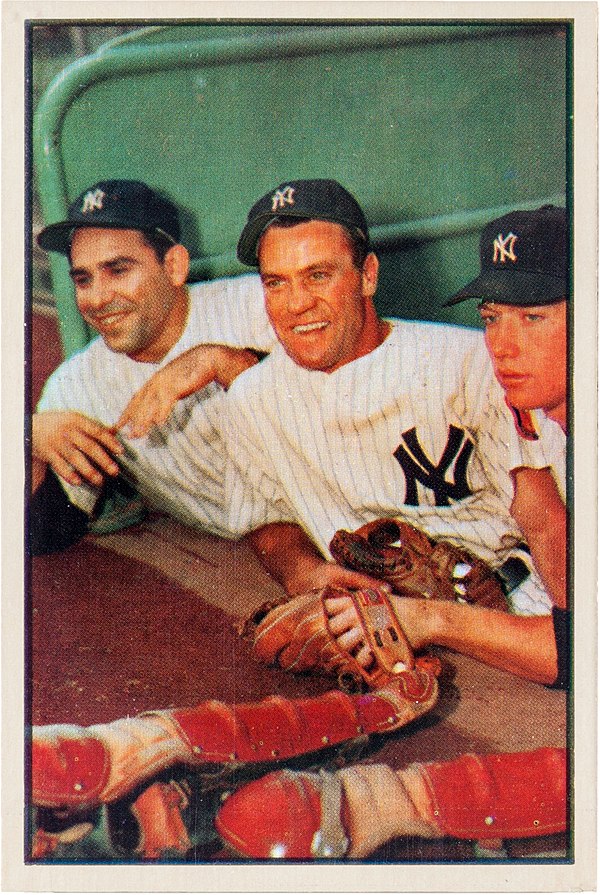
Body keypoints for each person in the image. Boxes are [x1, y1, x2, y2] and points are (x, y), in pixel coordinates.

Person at [216, 180, 562, 618]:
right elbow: (263, 515)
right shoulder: (252, 397)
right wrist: (300, 569)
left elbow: (551, 519)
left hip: (513, 602)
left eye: (318, 275)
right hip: (375, 616)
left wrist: (509, 599)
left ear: (368, 275)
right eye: (276, 283)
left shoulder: (472, 363)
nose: (296, 303)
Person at [326, 204, 569, 688]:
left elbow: (583, 649)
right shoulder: (540, 419)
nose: (503, 345)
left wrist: (433, 619)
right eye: (493, 318)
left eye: (534, 317)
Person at [31, 180, 276, 554]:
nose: (98, 298)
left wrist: (224, 363)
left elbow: (350, 397)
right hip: (263, 550)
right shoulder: (76, 386)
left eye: (118, 270)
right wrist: (25, 440)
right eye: (83, 278)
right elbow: (41, 533)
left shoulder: (258, 305)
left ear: (174, 265)